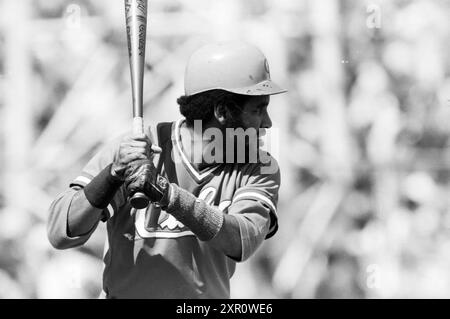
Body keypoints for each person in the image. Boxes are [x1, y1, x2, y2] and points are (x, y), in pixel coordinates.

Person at [47, 41, 287, 298]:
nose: (267, 123)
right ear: (222, 111)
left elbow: (241, 240)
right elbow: (61, 232)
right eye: (259, 109)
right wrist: (112, 175)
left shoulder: (258, 166)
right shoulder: (136, 150)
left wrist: (167, 195)